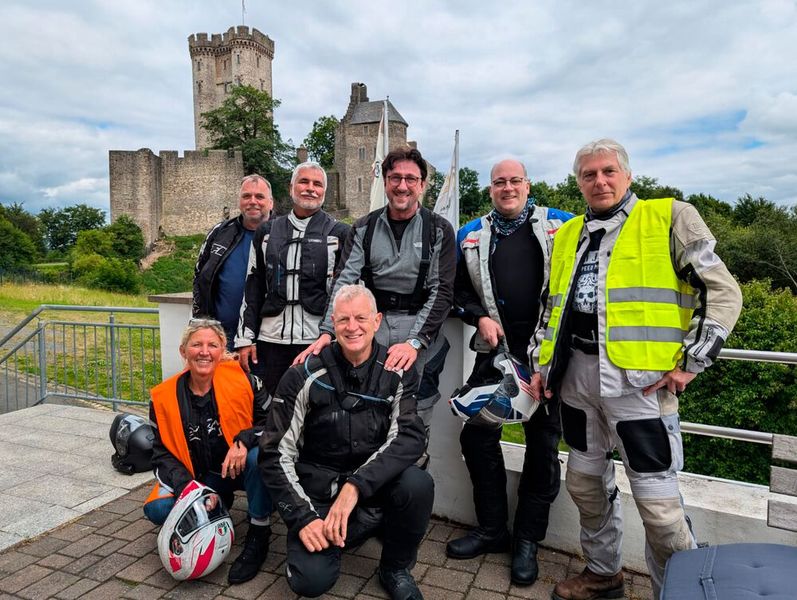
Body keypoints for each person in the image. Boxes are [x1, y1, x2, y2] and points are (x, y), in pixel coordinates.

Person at [529, 139, 742, 600]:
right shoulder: (567, 234)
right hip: (576, 383)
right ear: (579, 182)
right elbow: (552, 308)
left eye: (608, 171)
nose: (599, 181)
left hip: (640, 389)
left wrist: (691, 362)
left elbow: (723, 292)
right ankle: (603, 575)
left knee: (660, 508)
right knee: (584, 486)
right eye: (589, 174)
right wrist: (542, 365)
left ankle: (678, 592)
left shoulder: (668, 216)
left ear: (627, 175)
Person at [261, 285, 433, 599]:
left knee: (417, 484)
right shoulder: (302, 375)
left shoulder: (398, 371)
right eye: (343, 320)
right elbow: (274, 453)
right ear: (332, 325)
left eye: (360, 318)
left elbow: (409, 437)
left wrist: (356, 486)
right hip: (319, 495)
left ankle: (395, 567)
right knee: (309, 583)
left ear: (377, 320)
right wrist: (302, 518)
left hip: (370, 489)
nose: (352, 327)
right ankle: (339, 535)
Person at [448, 159, 572, 586]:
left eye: (514, 180)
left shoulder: (561, 224)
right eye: (499, 182)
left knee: (542, 445)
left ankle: (527, 540)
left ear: (527, 184)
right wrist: (477, 315)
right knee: (477, 434)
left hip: (547, 358)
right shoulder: (470, 234)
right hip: (496, 356)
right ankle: (492, 529)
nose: (507, 187)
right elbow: (454, 289)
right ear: (490, 189)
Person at [295, 147, 456, 439]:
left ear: (421, 184)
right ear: (385, 181)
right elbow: (345, 281)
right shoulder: (364, 227)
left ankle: (413, 471)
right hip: (373, 327)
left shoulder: (438, 230)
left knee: (416, 410)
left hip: (419, 329)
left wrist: (415, 342)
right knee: (368, 403)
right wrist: (328, 332)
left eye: (411, 178)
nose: (402, 186)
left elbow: (442, 291)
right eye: (395, 178)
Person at [143, 319, 272, 585]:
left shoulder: (246, 381)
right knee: (157, 509)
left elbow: (274, 423)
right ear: (183, 351)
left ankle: (259, 532)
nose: (204, 352)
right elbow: (161, 454)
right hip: (199, 477)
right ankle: (216, 506)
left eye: (212, 345)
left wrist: (244, 441)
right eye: (196, 345)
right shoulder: (164, 397)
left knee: (259, 457)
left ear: (222, 349)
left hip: (241, 468)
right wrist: (192, 491)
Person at [235, 161, 350, 396]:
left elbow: (345, 292)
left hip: (317, 341)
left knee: (317, 412)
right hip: (271, 341)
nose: (310, 188)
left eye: (317, 184)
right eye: (304, 182)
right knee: (272, 409)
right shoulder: (266, 232)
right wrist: (245, 338)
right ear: (291, 188)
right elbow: (253, 285)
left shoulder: (340, 233)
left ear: (324, 192)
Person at [193, 174, 273, 350]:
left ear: (271, 202)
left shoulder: (282, 234)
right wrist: (200, 323)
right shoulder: (220, 232)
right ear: (239, 201)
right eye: (246, 196)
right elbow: (200, 276)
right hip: (221, 337)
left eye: (259, 197)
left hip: (266, 341)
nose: (253, 201)